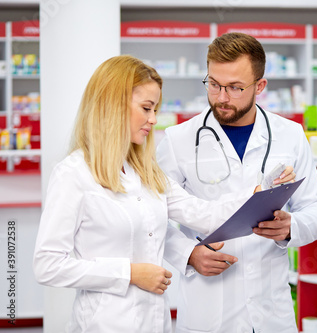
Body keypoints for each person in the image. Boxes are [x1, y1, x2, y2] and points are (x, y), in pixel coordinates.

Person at [32, 55, 294, 333]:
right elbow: (47, 265)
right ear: (112, 104)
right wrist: (130, 273)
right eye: (146, 108)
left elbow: (202, 214)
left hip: (155, 321)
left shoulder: (145, 172)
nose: (153, 119)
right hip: (104, 324)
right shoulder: (74, 174)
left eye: (155, 109)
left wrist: (257, 195)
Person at [157, 32, 317, 332]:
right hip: (207, 306)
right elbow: (153, 217)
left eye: (235, 88)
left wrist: (290, 228)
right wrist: (188, 254)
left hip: (270, 309)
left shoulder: (290, 135)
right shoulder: (177, 140)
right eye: (213, 84)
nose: (221, 97)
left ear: (259, 86)